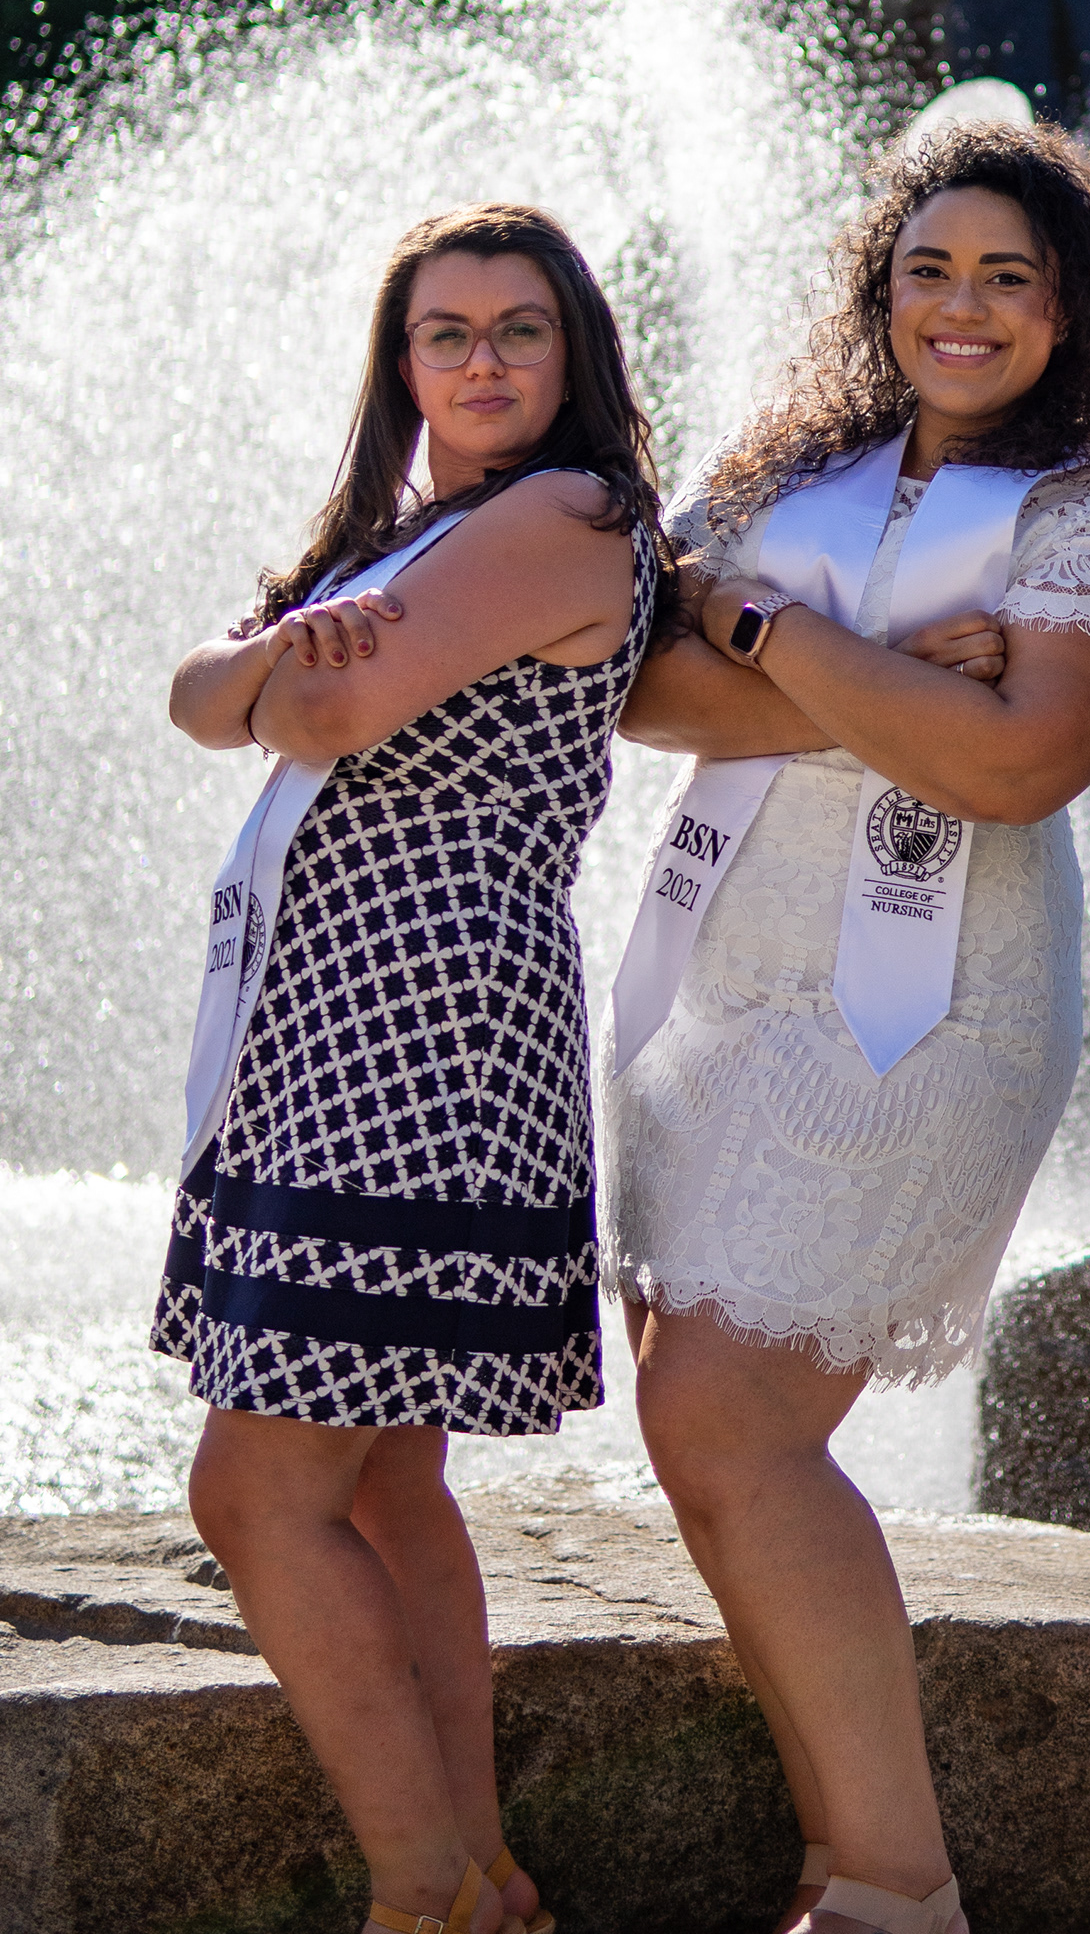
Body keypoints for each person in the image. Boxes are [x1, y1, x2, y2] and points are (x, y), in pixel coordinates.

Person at [602, 118, 1090, 1934]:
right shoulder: (786, 476)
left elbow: (1013, 764)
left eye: (1011, 277)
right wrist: (871, 680)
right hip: (718, 988)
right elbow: (640, 689)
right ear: (879, 290)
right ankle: (837, 1860)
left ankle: (897, 1885)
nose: (964, 305)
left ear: (1070, 313)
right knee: (698, 1424)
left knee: (729, 1418)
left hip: (921, 1015)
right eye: (929, 268)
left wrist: (770, 634)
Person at [154, 203, 661, 1934]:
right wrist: (267, 671)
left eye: (521, 328)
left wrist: (280, 677)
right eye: (446, 332)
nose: (483, 359)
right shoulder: (396, 531)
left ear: (575, 352)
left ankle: (420, 1889)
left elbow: (323, 716)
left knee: (253, 1490)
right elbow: (198, 693)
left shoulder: (564, 513)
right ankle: (480, 1873)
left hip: (421, 1029)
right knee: (382, 1478)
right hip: (341, 1021)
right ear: (402, 362)